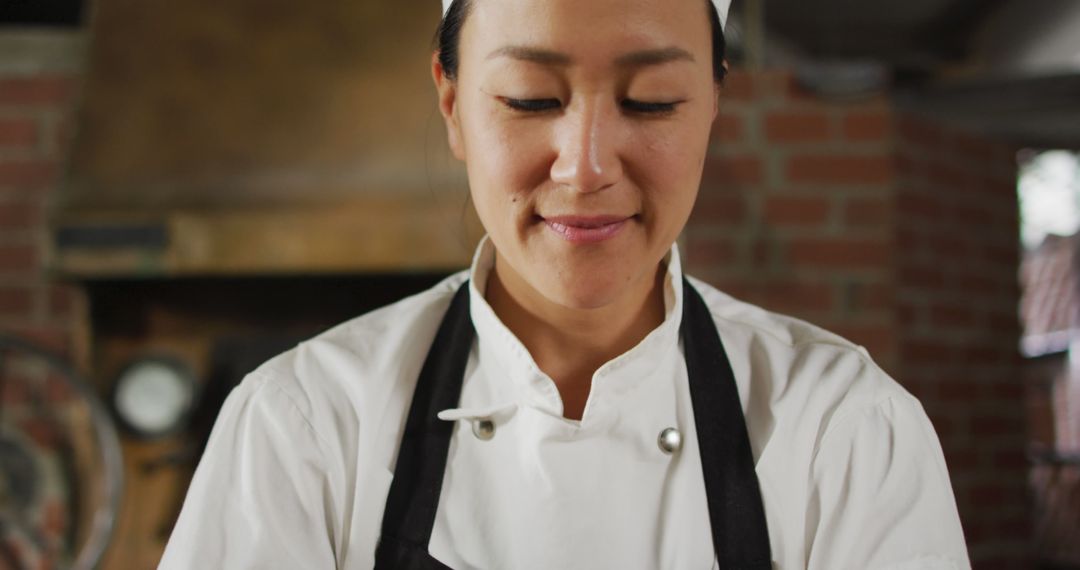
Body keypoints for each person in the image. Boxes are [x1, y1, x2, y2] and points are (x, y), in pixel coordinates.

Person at [160, 0, 970, 568]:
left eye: (653, 103)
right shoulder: (304, 426)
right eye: (531, 98)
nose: (584, 169)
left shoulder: (845, 430)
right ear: (451, 103)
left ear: (714, 102)